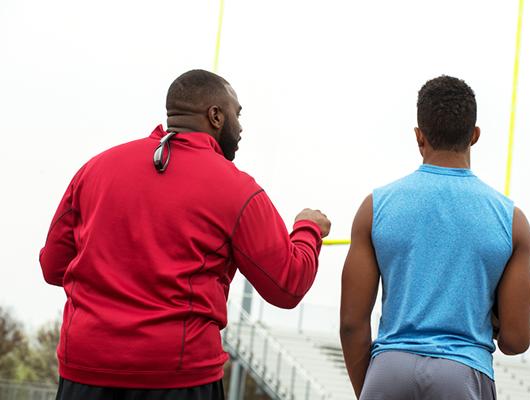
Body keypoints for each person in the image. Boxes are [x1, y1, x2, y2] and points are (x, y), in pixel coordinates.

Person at [39, 69, 331, 400]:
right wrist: (308, 230)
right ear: (216, 115)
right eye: (237, 113)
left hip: (85, 373)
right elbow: (286, 286)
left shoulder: (94, 169)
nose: (241, 126)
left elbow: (53, 267)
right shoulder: (236, 188)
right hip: (178, 378)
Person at [339, 75, 530, 399]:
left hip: (389, 369)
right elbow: (515, 340)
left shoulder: (375, 208)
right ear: (474, 135)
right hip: (462, 374)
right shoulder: (511, 221)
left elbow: (351, 324)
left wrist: (374, 389)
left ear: (419, 137)